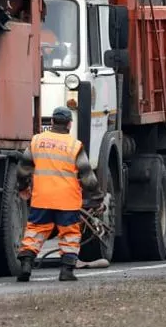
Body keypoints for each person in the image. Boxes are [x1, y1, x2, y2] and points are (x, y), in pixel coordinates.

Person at [15, 107, 102, 282]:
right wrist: (96, 197)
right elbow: (87, 176)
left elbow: (23, 169)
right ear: (70, 124)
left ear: (52, 122)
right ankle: (66, 271)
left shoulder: (36, 141)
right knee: (69, 234)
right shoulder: (74, 146)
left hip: (42, 199)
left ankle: (26, 265)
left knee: (35, 231)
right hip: (67, 201)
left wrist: (23, 187)